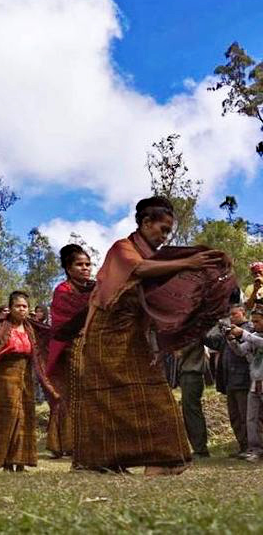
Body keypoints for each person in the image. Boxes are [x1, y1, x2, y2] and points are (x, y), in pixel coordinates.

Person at [72, 196, 227, 475]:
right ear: (145, 223)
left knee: (153, 394)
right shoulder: (122, 249)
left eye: (169, 231)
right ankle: (101, 463)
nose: (165, 237)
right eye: (162, 229)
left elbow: (155, 308)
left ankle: (163, 460)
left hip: (133, 336)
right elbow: (138, 269)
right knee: (104, 399)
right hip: (104, 335)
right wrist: (188, 262)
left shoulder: (157, 260)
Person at [0, 291, 55, 471]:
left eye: (25, 306)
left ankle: (21, 461)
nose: (22, 309)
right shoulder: (2, 327)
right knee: (8, 416)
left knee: (24, 416)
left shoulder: (31, 328)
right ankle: (5, 461)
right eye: (18, 306)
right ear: (10, 308)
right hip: (5, 374)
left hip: (26, 375)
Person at [46, 244, 94, 458]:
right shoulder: (63, 291)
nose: (85, 268)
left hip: (94, 347)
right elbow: (62, 325)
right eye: (79, 264)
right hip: (71, 349)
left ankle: (92, 440)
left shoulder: (96, 288)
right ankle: (69, 444)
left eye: (88, 264)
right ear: (68, 268)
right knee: (73, 395)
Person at [205, 305, 253, 457]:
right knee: (234, 417)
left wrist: (234, 335)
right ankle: (242, 446)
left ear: (243, 313)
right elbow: (213, 342)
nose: (232, 317)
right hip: (229, 380)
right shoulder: (227, 331)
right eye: (230, 314)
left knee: (246, 416)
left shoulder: (249, 329)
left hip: (244, 379)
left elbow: (245, 349)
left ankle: (251, 448)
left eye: (235, 314)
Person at [228, 310, 263, 461]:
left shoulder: (254, 337)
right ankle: (254, 449)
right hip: (255, 381)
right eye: (253, 321)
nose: (255, 324)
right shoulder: (254, 336)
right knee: (251, 418)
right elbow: (241, 351)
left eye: (257, 321)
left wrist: (242, 333)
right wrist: (231, 340)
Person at [176, 341, 210, 457]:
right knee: (190, 411)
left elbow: (179, 352)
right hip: (187, 375)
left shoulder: (193, 335)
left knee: (192, 412)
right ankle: (198, 447)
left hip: (192, 374)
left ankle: (200, 449)